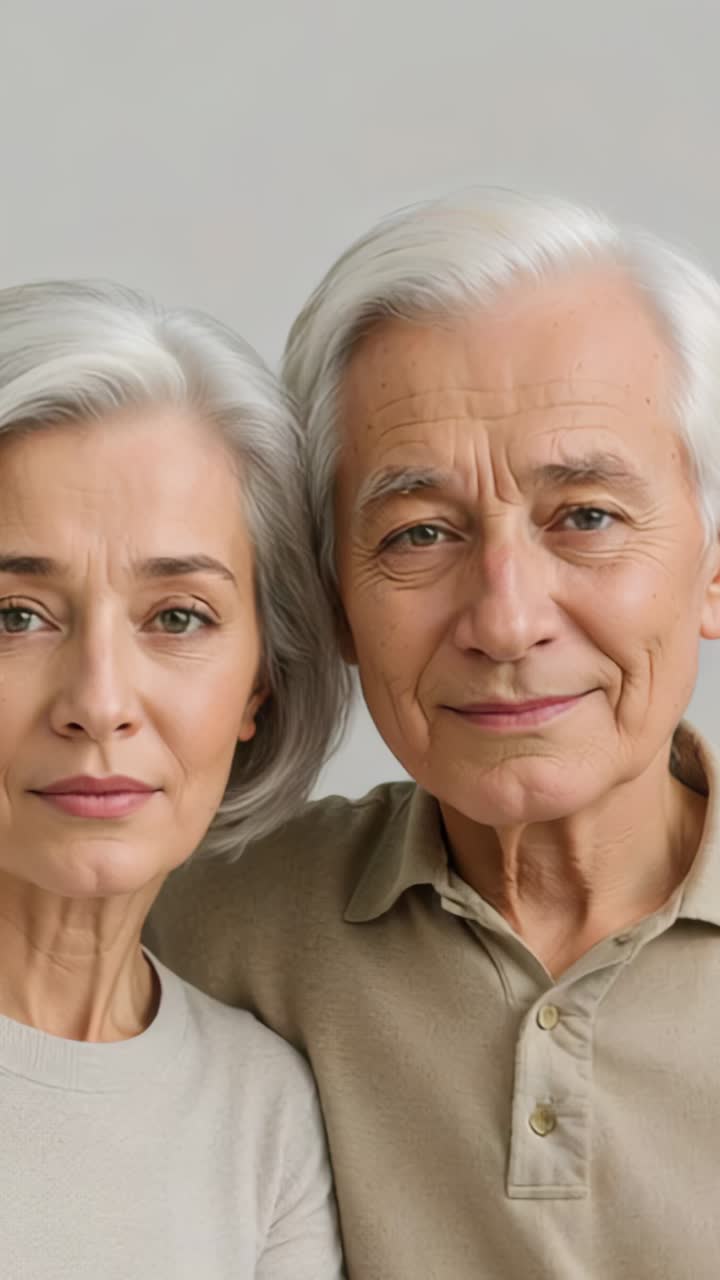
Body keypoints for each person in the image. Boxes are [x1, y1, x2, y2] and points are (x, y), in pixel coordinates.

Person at [147, 190, 720, 1279]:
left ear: (713, 563)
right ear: (334, 602)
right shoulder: (201, 921)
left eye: (586, 515)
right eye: (419, 532)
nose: (505, 617)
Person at [0, 280, 347, 1278]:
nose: (99, 700)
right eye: (16, 614)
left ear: (261, 681)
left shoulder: (262, 1110)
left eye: (178, 615)